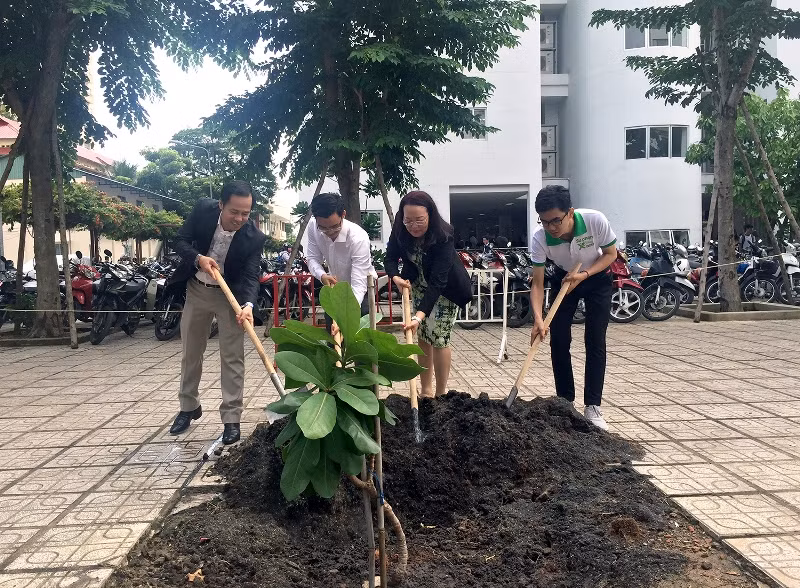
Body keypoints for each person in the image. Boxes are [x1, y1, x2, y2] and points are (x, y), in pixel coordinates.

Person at [168, 180, 266, 445]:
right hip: (197, 288)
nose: (240, 218)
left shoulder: (254, 237)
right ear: (221, 205)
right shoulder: (202, 210)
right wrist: (198, 258)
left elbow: (251, 275)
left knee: (232, 357)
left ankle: (232, 418)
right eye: (234, 211)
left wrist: (247, 305)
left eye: (246, 213)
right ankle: (188, 407)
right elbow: (178, 240)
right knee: (191, 351)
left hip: (230, 297)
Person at [529, 185, 617, 430]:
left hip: (596, 277)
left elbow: (610, 254)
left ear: (570, 212)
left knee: (595, 339)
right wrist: (538, 318)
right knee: (557, 339)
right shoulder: (539, 237)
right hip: (564, 278)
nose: (551, 228)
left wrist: (586, 274)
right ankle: (565, 402)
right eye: (544, 222)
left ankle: (593, 406)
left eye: (556, 220)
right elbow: (537, 284)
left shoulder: (594, 220)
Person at [386, 191, 472, 397]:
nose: (413, 226)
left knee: (439, 338)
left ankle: (441, 394)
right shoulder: (400, 229)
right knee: (424, 337)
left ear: (430, 216)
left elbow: (439, 281)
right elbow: (390, 258)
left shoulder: (444, 236)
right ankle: (426, 391)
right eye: (408, 220)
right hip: (417, 286)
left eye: (419, 220)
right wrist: (395, 277)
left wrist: (418, 316)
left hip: (445, 291)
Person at [306, 192, 377, 328]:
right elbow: (313, 258)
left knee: (358, 340)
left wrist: (345, 318)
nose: (329, 231)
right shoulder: (313, 227)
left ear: (343, 215)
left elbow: (358, 285)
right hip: (335, 290)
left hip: (360, 293)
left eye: (334, 226)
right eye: (323, 228)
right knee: (333, 340)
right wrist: (322, 275)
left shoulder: (358, 238)